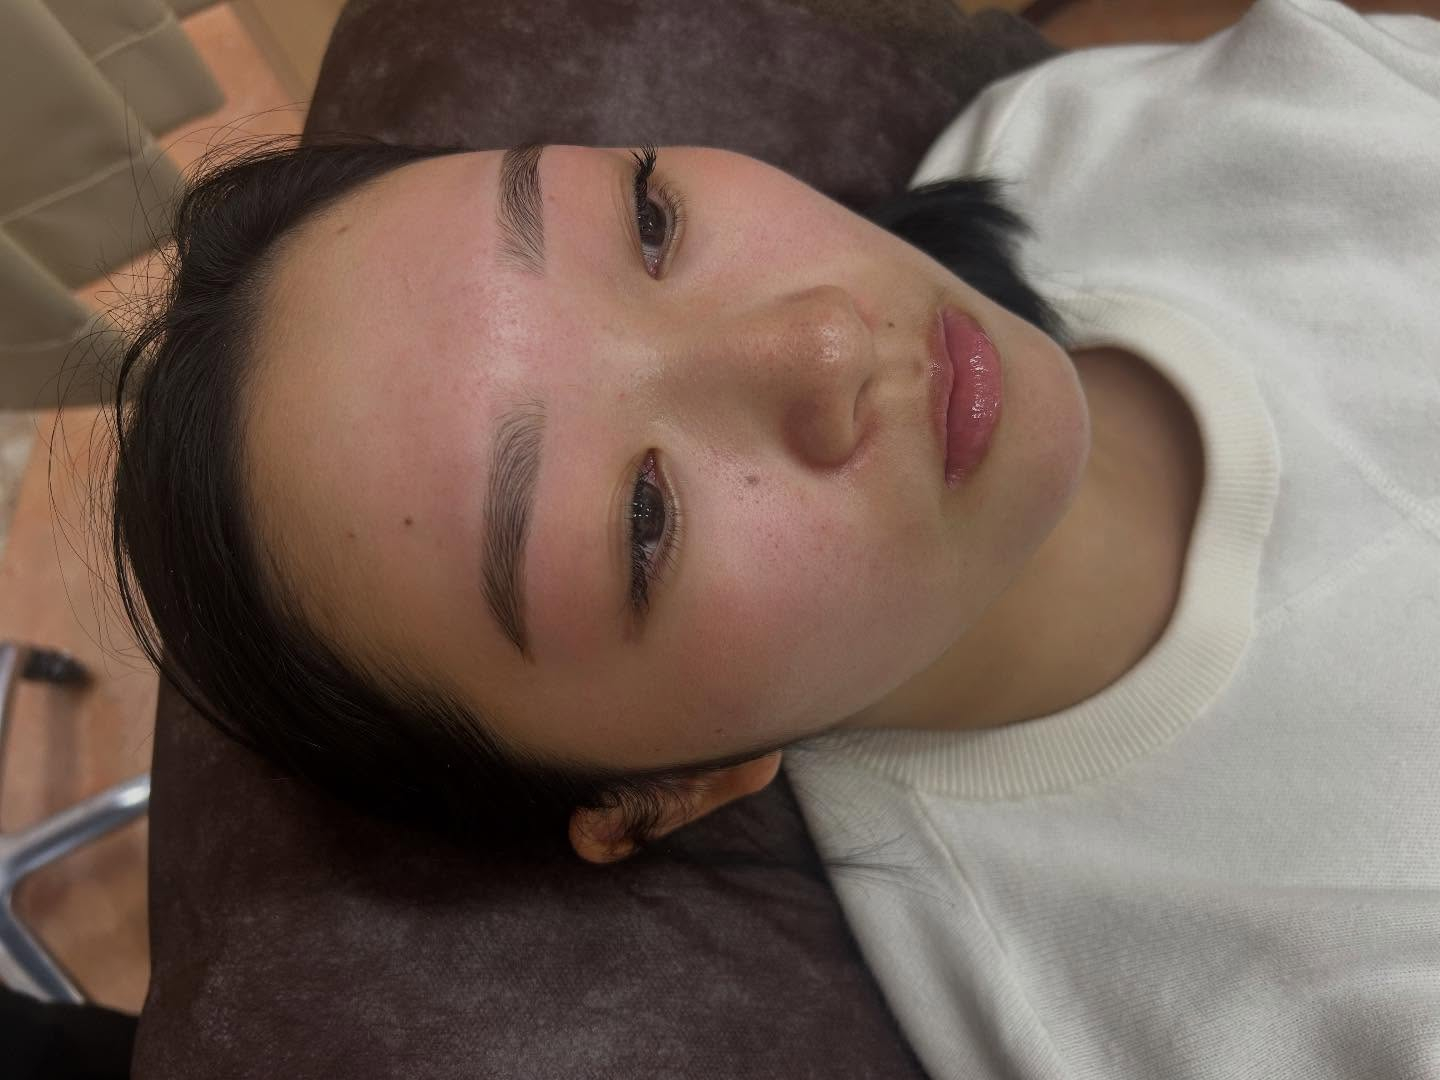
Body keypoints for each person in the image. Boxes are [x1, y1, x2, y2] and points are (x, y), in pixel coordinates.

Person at [106, 0, 1438, 1072]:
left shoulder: (1128, 124)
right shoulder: (1215, 1015)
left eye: (648, 221)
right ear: (661, 793)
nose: (823, 341)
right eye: (641, 523)